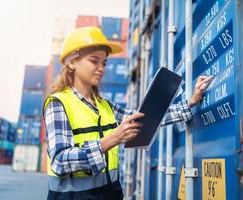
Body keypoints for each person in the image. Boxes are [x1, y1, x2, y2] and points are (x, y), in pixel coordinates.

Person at [43, 26, 212, 200]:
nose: (101, 68)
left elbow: (144, 119)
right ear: (71, 62)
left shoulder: (105, 105)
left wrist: (190, 103)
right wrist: (112, 139)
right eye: (94, 61)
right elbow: (59, 161)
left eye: (104, 63)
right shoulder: (58, 103)